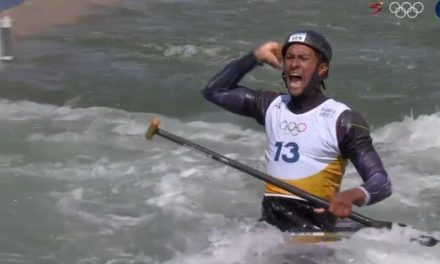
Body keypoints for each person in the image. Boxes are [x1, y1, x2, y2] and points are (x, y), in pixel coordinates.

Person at [202, 30, 392, 232]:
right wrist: (255, 57)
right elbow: (214, 91)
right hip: (270, 229)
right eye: (289, 58)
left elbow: (381, 183)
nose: (294, 64)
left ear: (322, 69)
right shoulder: (271, 106)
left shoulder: (343, 120)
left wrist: (350, 196)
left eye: (303, 58)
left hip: (314, 230)